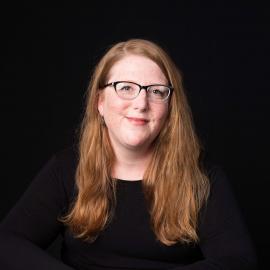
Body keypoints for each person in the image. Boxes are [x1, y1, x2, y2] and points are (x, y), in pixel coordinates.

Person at [0, 39, 257, 270]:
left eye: (156, 91)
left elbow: (237, 261)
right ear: (100, 102)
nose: (141, 103)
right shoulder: (66, 168)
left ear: (170, 108)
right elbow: (8, 242)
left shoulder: (202, 175)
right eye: (125, 88)